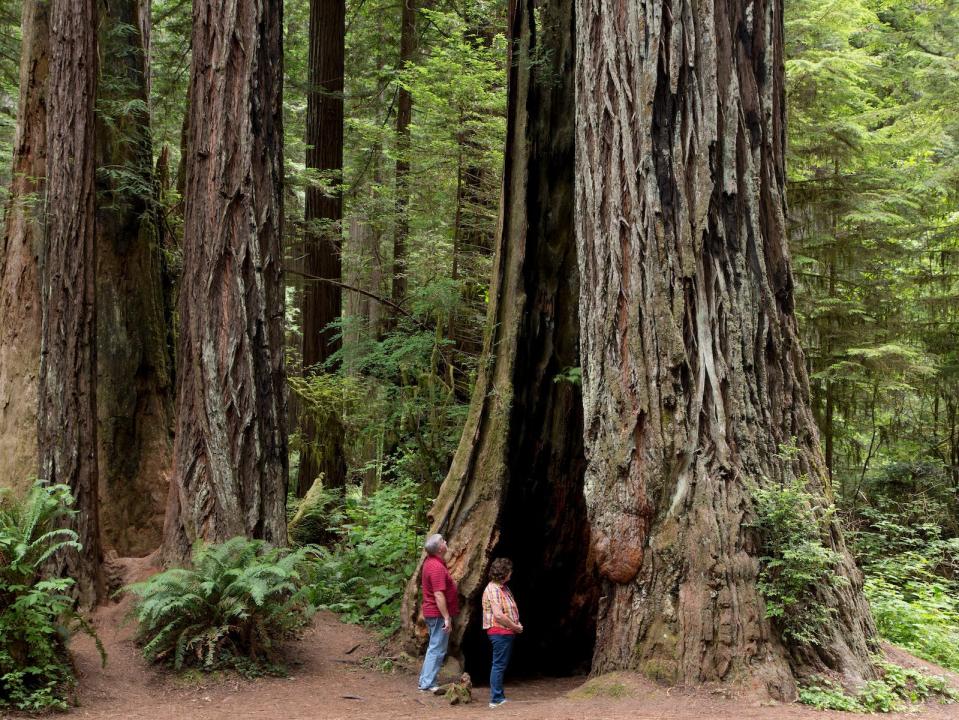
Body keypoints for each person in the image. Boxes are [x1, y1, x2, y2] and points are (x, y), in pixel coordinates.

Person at [418, 533, 460, 692]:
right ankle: (428, 683)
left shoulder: (432, 562)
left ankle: (426, 680)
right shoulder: (435, 566)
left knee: (434, 647)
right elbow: (438, 594)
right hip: (437, 613)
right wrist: (446, 617)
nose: (446, 541)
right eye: (443, 540)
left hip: (434, 613)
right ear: (440, 548)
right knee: (437, 648)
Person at [481, 557, 522, 709]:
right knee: (498, 665)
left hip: (506, 631)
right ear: (503, 573)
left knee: (501, 664)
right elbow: (498, 615)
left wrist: (516, 624)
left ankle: (499, 696)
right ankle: (495, 698)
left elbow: (509, 610)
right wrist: (515, 627)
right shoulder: (493, 589)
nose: (511, 573)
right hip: (499, 631)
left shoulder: (503, 588)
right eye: (509, 571)